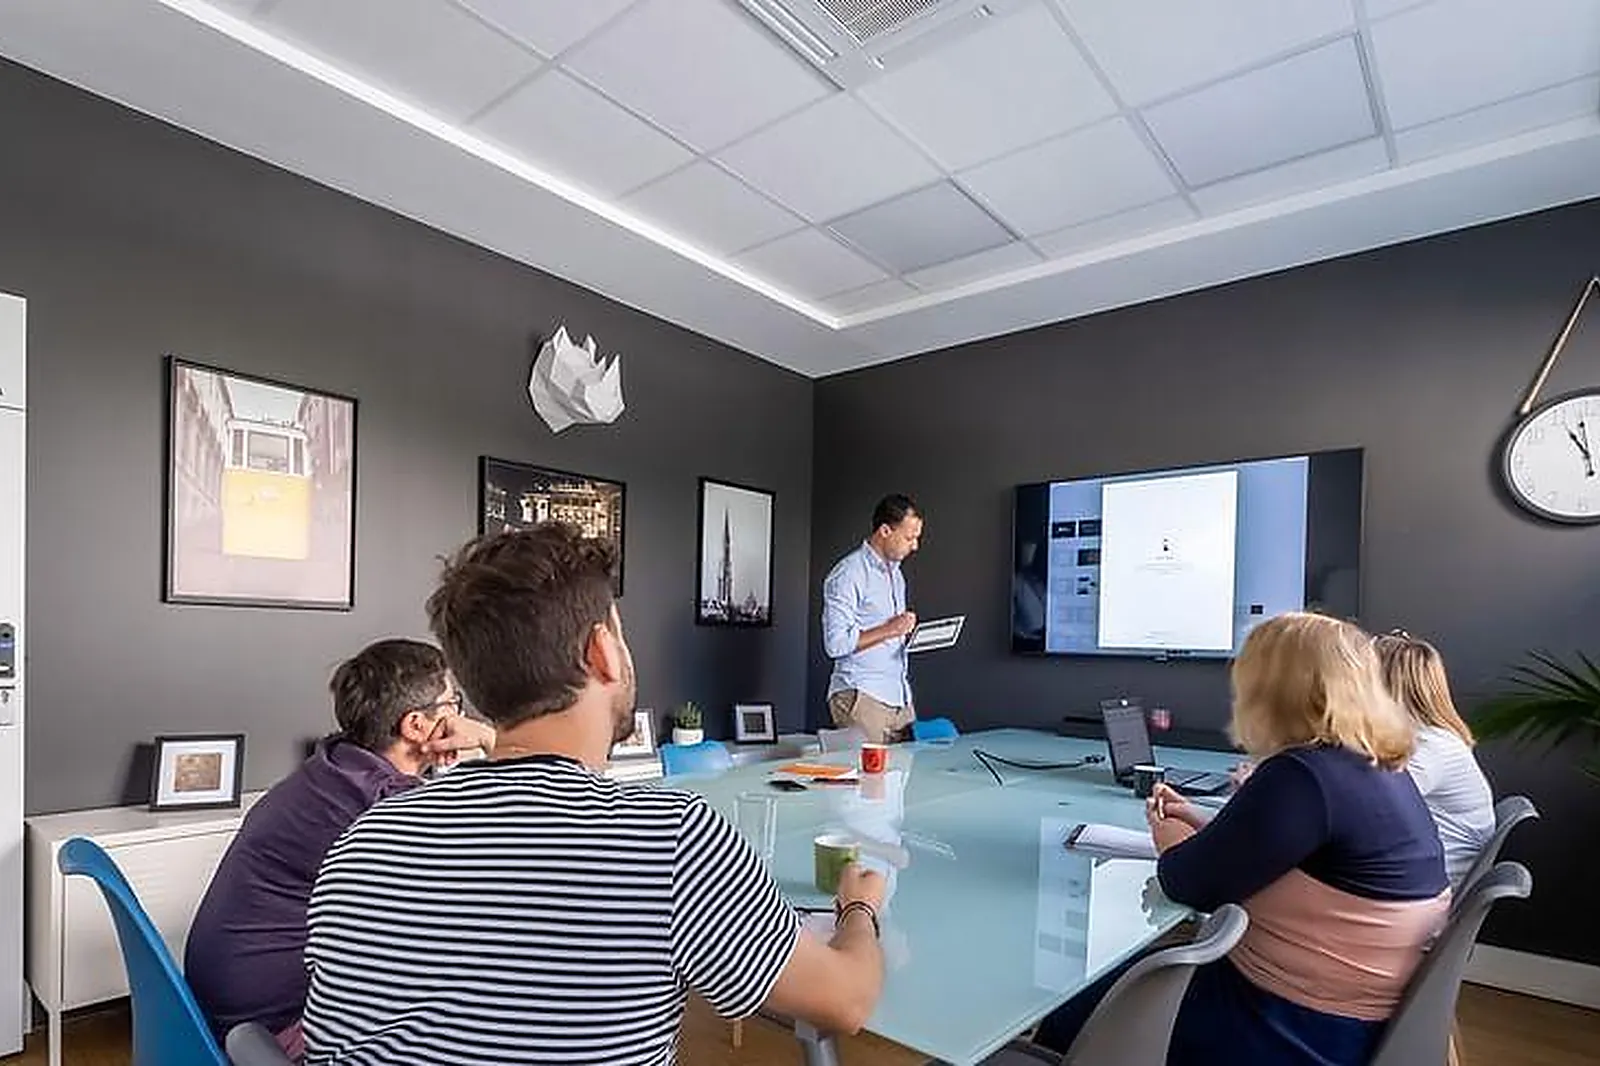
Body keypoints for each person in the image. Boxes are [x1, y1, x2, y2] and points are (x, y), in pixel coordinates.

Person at [301, 523, 886, 1064]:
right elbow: (846, 1002)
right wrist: (859, 907)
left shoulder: (361, 837)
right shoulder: (670, 838)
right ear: (602, 651)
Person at [1035, 612, 1449, 1066]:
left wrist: (1170, 840)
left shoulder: (1302, 776)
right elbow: (1289, 857)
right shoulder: (1371, 767)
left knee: (1074, 1010)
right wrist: (1199, 819)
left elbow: (1186, 884)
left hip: (1294, 1028)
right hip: (1358, 1021)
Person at [186, 639, 495, 1060]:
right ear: (417, 726)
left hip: (226, 993)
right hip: (272, 1021)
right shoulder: (385, 808)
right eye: (453, 702)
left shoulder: (336, 768)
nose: (461, 715)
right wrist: (493, 741)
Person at [1375, 628, 1496, 885]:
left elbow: (1368, 809)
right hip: (1425, 883)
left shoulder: (1428, 748)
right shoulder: (1435, 738)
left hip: (1422, 893)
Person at [822, 494, 924, 743]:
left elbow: (887, 635)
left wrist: (905, 633)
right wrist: (890, 630)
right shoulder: (848, 574)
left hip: (899, 699)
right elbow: (835, 644)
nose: (915, 546)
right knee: (869, 781)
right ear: (885, 530)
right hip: (862, 695)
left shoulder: (896, 576)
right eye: (909, 538)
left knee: (906, 780)